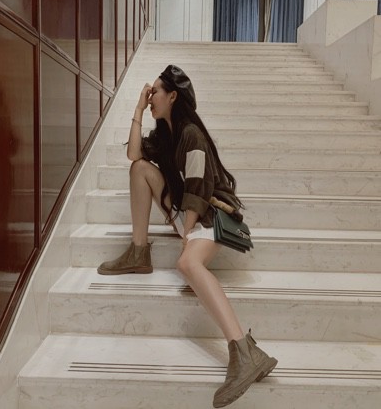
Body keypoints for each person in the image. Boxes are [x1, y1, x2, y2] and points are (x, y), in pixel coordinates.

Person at [97, 65, 277, 407]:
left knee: (188, 264)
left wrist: (189, 230)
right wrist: (137, 109)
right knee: (139, 169)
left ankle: (244, 351)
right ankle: (138, 252)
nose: (151, 97)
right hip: (186, 213)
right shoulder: (165, 136)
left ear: (173, 96)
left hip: (208, 214)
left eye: (155, 93)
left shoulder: (191, 134)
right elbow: (133, 154)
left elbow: (198, 186)